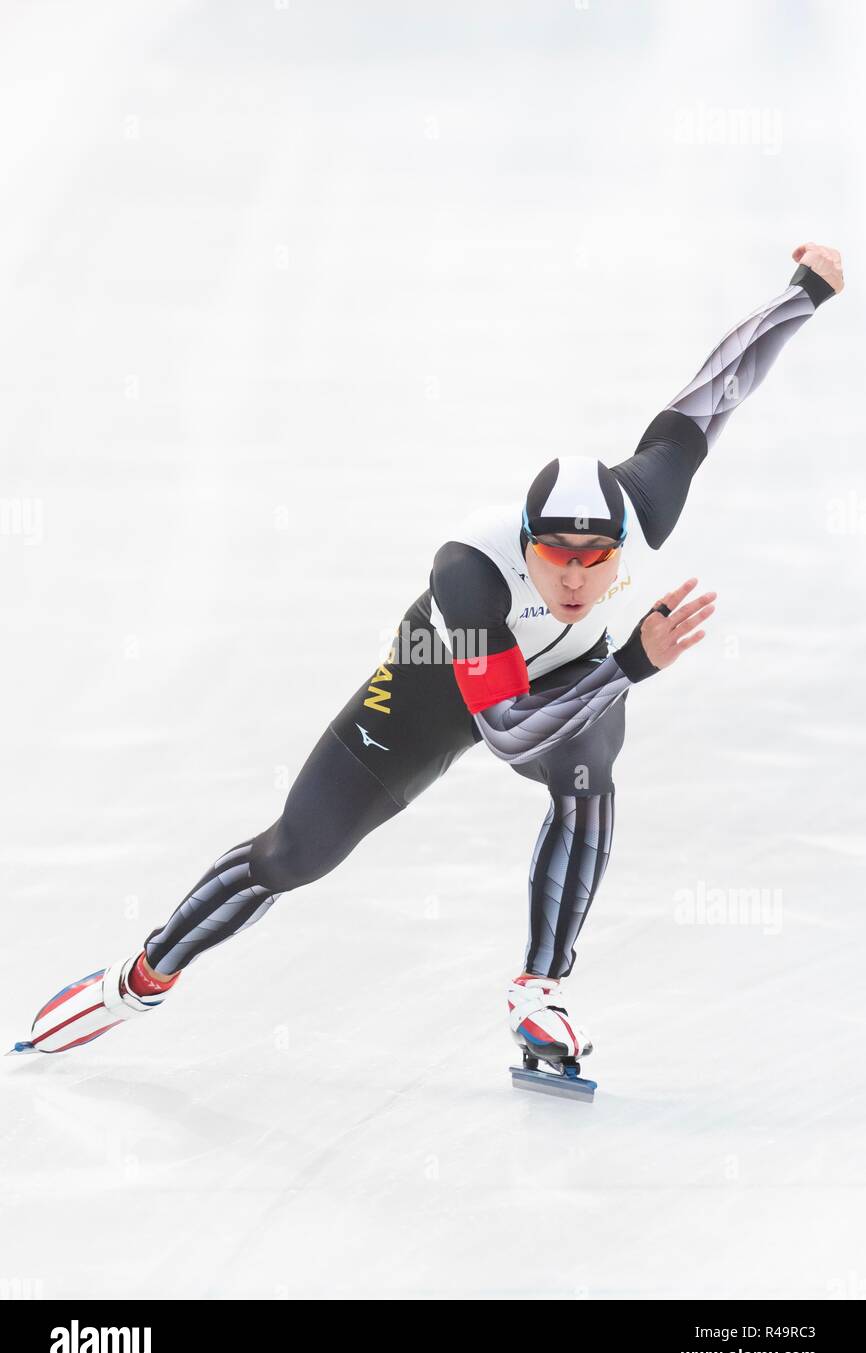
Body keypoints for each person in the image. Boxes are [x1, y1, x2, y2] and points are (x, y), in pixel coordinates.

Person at [19, 242, 843, 1063]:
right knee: (294, 854)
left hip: (565, 676)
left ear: (625, 545)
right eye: (557, 555)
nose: (577, 578)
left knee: (588, 781)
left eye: (597, 560)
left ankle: (539, 992)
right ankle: (140, 978)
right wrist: (629, 664)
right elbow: (510, 731)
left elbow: (715, 392)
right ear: (526, 544)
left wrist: (803, 292)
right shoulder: (469, 574)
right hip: (435, 686)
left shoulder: (645, 499)